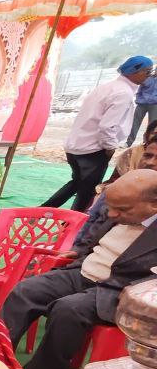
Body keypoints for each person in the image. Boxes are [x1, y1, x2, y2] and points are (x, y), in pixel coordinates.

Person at [4, 169, 157, 369]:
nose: (112, 214)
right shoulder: (121, 207)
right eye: (110, 207)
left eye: (121, 209)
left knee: (69, 309)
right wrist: (79, 251)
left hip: (119, 290)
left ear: (154, 206)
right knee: (26, 290)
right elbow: (95, 235)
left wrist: (133, 292)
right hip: (83, 272)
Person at [44, 55, 153, 212]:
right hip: (93, 149)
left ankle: (44, 211)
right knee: (86, 192)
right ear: (134, 72)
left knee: (77, 183)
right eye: (147, 71)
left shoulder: (108, 87)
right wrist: (110, 147)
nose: (149, 75)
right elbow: (107, 126)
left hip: (77, 145)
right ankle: (72, 226)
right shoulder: (123, 93)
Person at [76, 135, 157, 245]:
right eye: (147, 156)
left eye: (124, 209)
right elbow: (88, 235)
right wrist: (77, 252)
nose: (150, 162)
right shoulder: (120, 190)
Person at [129, 66, 157, 147]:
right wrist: (138, 100)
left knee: (152, 125)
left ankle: (147, 142)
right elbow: (140, 90)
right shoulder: (147, 79)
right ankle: (128, 142)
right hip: (142, 103)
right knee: (135, 123)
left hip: (154, 105)